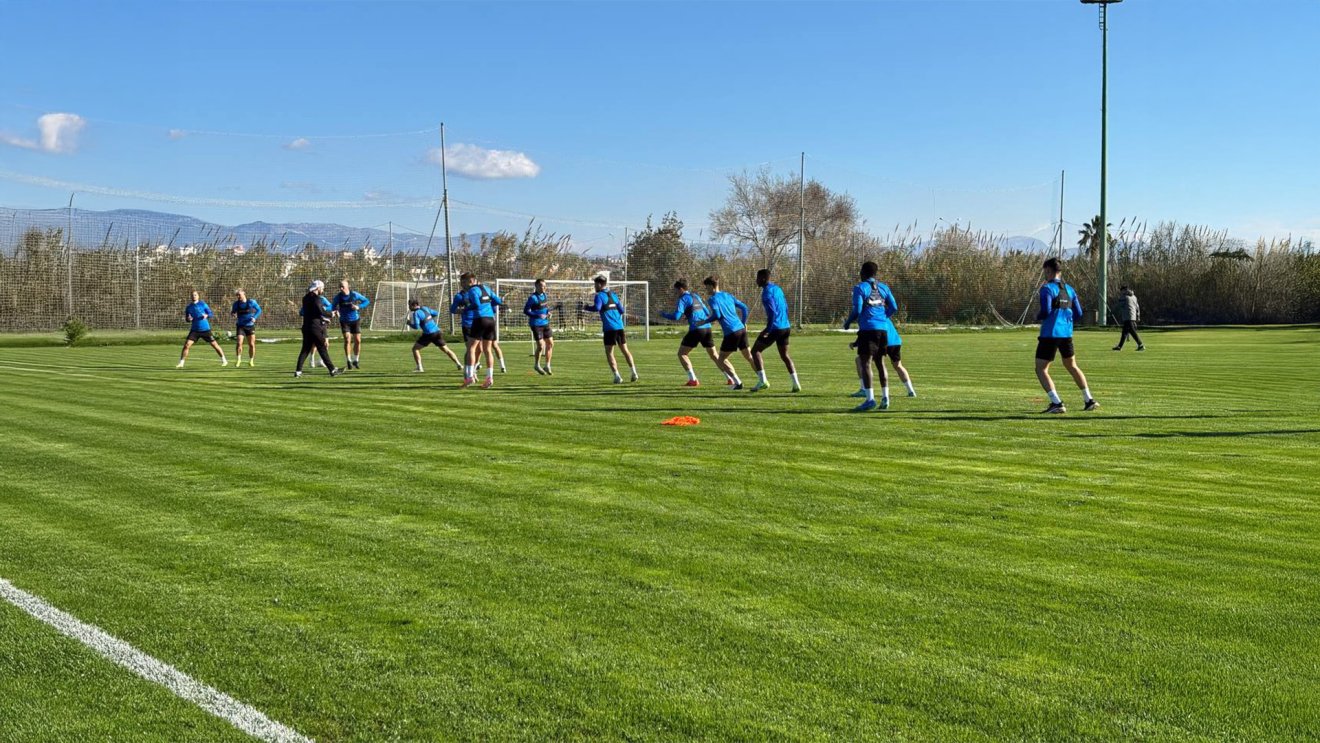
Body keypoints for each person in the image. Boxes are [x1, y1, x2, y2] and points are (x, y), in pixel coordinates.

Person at [1036, 257, 1097, 413]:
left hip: (1050, 334)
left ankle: (1056, 403)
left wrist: (1038, 317)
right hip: (1066, 334)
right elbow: (1079, 313)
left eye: (1045, 272)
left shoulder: (1047, 289)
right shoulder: (1070, 289)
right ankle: (1089, 399)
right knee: (1072, 365)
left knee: (1041, 369)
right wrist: (1066, 321)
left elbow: (1046, 311)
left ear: (1049, 271)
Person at [843, 262, 895, 411]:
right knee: (880, 363)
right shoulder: (884, 287)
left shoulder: (860, 288)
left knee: (865, 363)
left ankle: (870, 399)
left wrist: (847, 322)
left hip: (868, 330)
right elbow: (894, 307)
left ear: (863, 272)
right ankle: (885, 397)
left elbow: (858, 309)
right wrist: (883, 317)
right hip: (883, 330)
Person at [660, 278, 729, 387]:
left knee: (682, 354)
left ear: (681, 289)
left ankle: (693, 379)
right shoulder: (696, 296)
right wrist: (690, 315)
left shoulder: (683, 299)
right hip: (707, 328)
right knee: (715, 355)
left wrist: (663, 314)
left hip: (696, 329)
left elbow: (676, 316)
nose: (675, 293)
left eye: (676, 291)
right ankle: (730, 378)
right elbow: (706, 312)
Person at [749, 269, 800, 392]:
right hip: (785, 327)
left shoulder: (767, 293)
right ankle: (796, 384)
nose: (756, 280)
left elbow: (772, 312)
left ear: (762, 278)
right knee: (785, 355)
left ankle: (763, 381)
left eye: (757, 278)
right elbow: (786, 307)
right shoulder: (778, 289)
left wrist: (768, 329)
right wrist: (784, 322)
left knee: (755, 351)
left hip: (775, 328)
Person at [700, 276, 754, 390]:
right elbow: (744, 308)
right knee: (749, 356)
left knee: (720, 360)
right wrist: (743, 322)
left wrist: (704, 321)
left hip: (731, 332)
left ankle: (738, 383)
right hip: (741, 329)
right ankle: (763, 380)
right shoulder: (728, 295)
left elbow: (717, 315)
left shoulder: (713, 299)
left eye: (706, 288)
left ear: (711, 286)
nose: (706, 290)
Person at [584, 275, 638, 383]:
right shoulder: (613, 295)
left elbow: (597, 308)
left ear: (599, 284)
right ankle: (634, 372)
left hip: (609, 328)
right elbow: (622, 310)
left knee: (609, 352)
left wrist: (587, 307)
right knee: (625, 350)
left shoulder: (599, 295)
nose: (594, 287)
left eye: (595, 284)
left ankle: (617, 376)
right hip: (620, 326)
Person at [457, 272, 503, 388]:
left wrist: (465, 309)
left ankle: (470, 377)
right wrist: (487, 304)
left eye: (463, 282)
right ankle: (489, 378)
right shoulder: (486, 288)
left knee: (471, 348)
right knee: (487, 349)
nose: (462, 285)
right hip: (491, 320)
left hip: (480, 319)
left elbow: (476, 305)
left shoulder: (472, 291)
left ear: (471, 281)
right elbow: (498, 301)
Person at [295, 280, 342, 377]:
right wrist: (331, 314)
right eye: (322, 288)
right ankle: (332, 370)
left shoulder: (305, 298)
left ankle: (298, 371)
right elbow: (321, 311)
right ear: (318, 288)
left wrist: (324, 316)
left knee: (305, 350)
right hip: (315, 328)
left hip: (306, 327)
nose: (323, 290)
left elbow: (313, 313)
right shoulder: (317, 299)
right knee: (322, 348)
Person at [406, 299, 462, 373]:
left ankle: (420, 368)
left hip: (428, 334)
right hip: (437, 332)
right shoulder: (425, 308)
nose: (409, 307)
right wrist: (428, 318)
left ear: (413, 305)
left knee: (415, 349)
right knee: (446, 350)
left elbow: (416, 326)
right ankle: (459, 364)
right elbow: (436, 313)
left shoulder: (416, 313)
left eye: (409, 305)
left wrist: (409, 323)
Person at [177, 291, 228, 367]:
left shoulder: (203, 304)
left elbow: (211, 314)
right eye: (192, 295)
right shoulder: (189, 307)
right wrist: (189, 319)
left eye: (195, 295)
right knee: (187, 345)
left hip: (205, 329)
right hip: (194, 330)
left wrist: (206, 315)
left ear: (198, 296)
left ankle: (224, 360)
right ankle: (181, 363)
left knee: (214, 345)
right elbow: (187, 319)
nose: (194, 296)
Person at [330, 280, 371, 369]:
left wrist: (358, 306)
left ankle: (356, 360)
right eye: (340, 287)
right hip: (344, 321)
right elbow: (333, 306)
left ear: (347, 286)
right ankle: (348, 360)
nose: (341, 288)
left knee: (358, 340)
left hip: (355, 320)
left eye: (342, 286)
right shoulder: (338, 297)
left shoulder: (354, 295)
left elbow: (366, 301)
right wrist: (335, 311)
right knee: (348, 339)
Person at [523, 278, 555, 375]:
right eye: (542, 285)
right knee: (541, 346)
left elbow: (544, 307)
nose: (544, 287)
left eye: (545, 285)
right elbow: (526, 310)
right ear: (536, 286)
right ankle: (537, 365)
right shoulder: (532, 298)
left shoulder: (545, 295)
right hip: (536, 324)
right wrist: (536, 315)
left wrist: (548, 312)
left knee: (550, 344)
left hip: (545, 323)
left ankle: (547, 365)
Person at [230, 289, 262, 367]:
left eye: (239, 295)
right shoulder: (236, 304)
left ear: (244, 294)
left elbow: (259, 310)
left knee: (251, 344)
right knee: (239, 343)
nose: (238, 296)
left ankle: (251, 360)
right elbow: (233, 312)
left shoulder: (251, 302)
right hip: (240, 326)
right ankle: (238, 360)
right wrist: (233, 314)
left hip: (250, 326)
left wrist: (254, 317)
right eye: (237, 295)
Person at [1113, 285, 1145, 352]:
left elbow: (1120, 305)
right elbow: (1137, 307)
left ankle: (1141, 345)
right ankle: (1119, 346)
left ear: (1124, 290)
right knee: (1125, 332)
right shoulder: (1134, 297)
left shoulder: (1124, 297)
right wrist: (1138, 316)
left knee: (1132, 332)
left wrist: (1113, 309)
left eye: (1121, 291)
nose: (1121, 293)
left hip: (1127, 317)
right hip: (1133, 316)